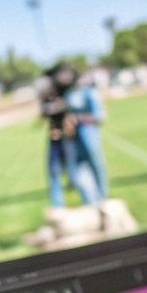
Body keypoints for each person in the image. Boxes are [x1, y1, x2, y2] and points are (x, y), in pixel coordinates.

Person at [39, 64, 101, 208]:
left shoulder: (72, 91)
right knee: (55, 171)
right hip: (57, 136)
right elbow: (45, 112)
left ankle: (93, 202)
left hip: (72, 138)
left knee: (79, 171)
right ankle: (58, 205)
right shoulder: (49, 94)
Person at [64, 67, 110, 199]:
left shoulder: (90, 92)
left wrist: (79, 119)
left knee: (97, 165)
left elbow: (100, 117)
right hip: (74, 139)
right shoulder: (69, 94)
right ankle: (89, 199)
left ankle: (103, 197)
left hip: (89, 135)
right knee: (78, 170)